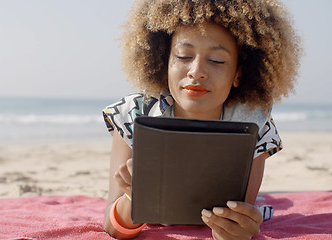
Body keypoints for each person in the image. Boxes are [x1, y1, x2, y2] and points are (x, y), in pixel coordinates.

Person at [102, 0, 301, 239]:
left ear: (238, 74)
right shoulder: (134, 114)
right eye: (184, 56)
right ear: (164, 63)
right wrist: (132, 197)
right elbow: (112, 226)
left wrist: (231, 232)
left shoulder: (253, 124)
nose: (196, 71)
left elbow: (235, 221)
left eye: (216, 60)